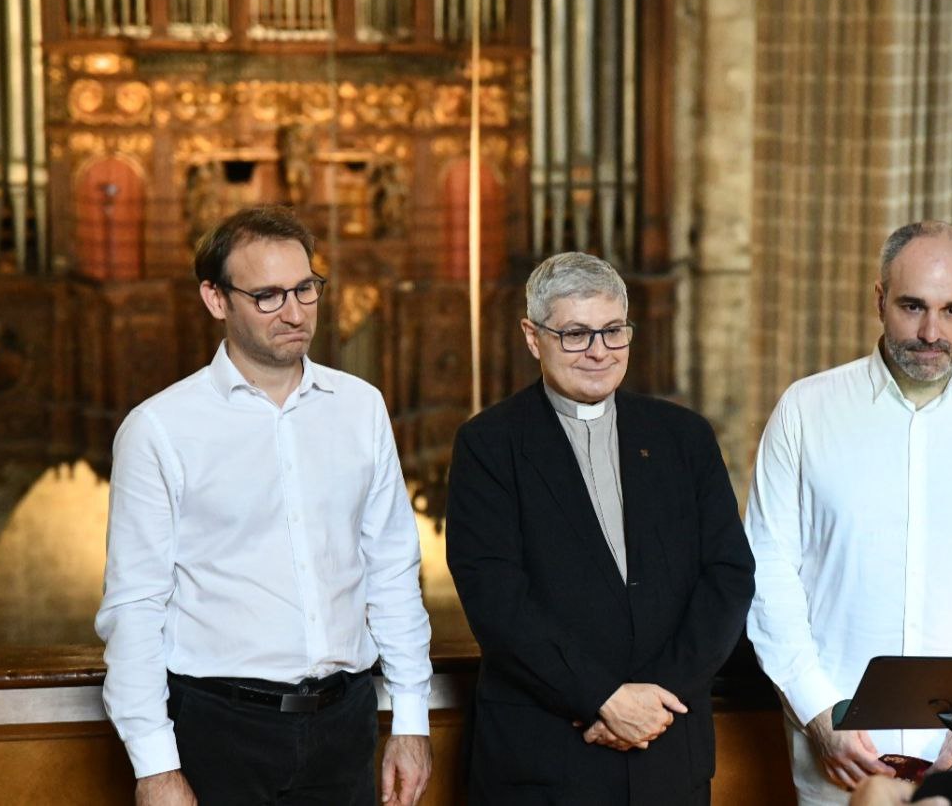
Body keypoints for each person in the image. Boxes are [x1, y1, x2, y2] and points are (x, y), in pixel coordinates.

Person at [96, 206, 433, 806]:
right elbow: (136, 605)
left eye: (306, 289)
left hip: (346, 720)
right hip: (220, 728)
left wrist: (410, 720)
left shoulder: (361, 407)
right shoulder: (159, 428)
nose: (296, 312)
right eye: (269, 295)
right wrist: (155, 767)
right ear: (216, 299)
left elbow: (392, 570)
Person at [745, 221, 952, 805]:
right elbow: (767, 573)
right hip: (843, 753)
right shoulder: (806, 411)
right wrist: (818, 714)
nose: (932, 332)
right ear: (879, 299)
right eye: (913, 307)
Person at [445, 252, 755, 805]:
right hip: (544, 758)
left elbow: (728, 576)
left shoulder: (683, 437)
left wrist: (656, 701)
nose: (598, 351)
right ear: (532, 337)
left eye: (613, 331)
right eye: (575, 334)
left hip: (669, 751)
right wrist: (603, 698)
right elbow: (496, 600)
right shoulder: (489, 445)